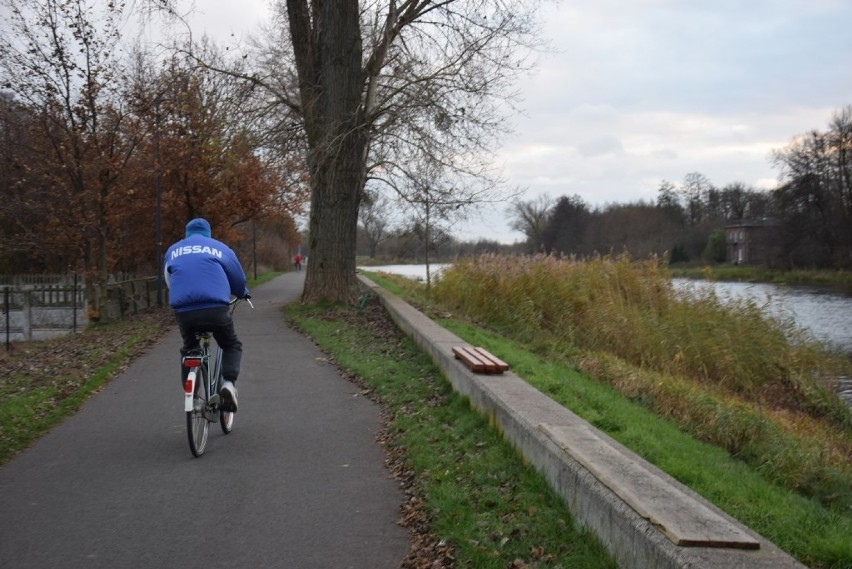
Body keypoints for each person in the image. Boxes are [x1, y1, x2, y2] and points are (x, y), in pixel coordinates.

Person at [164, 218, 249, 411]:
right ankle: (228, 385)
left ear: (187, 234)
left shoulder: (173, 250)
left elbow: (169, 279)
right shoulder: (220, 248)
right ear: (208, 233)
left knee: (189, 349)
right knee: (230, 344)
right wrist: (242, 292)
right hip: (215, 309)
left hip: (184, 311)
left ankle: (192, 398)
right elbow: (237, 278)